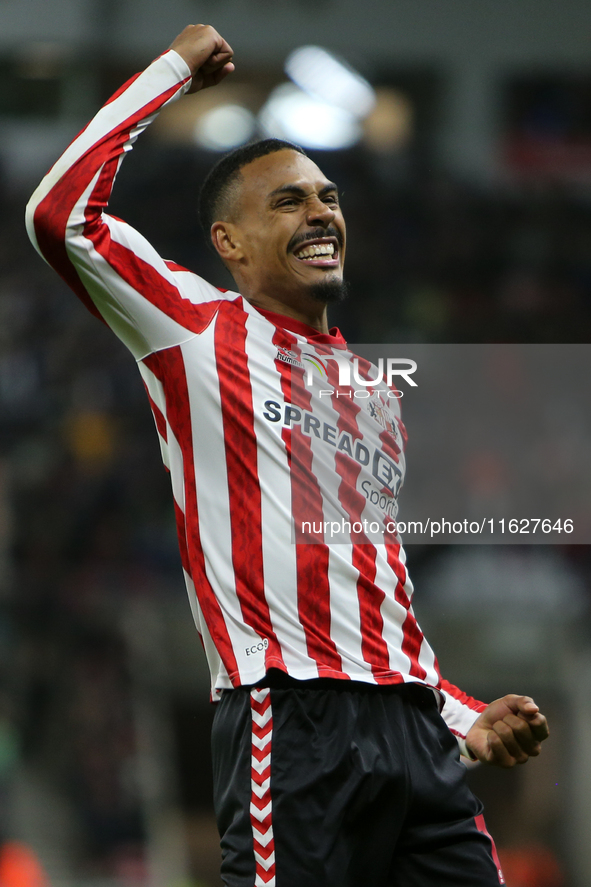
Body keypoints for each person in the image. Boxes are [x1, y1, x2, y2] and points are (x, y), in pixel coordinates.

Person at [26, 24, 549, 887]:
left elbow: (374, 600)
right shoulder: (193, 326)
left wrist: (462, 717)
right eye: (289, 201)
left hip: (417, 738)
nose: (321, 213)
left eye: (329, 197)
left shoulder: (372, 392)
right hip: (290, 722)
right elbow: (60, 214)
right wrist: (171, 73)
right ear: (228, 245)